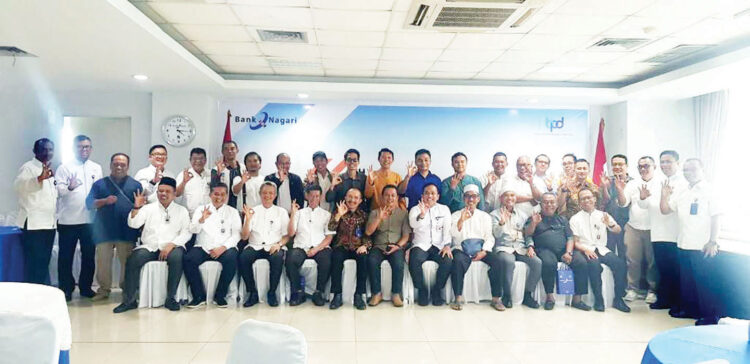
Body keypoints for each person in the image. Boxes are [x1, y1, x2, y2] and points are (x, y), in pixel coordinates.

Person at [114, 177, 191, 313]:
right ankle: (129, 300)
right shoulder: (148, 208)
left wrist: (172, 244)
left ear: (174, 194)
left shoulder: (182, 211)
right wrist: (137, 207)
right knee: (133, 259)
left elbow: (186, 233)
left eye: (167, 191)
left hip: (172, 246)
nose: (163, 194)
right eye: (160, 191)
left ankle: (170, 298)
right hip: (151, 246)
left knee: (177, 257)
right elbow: (133, 224)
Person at [660, 158, 721, 325]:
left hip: (703, 245)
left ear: (702, 169)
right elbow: (665, 210)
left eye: (693, 169)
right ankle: (690, 310)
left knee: (705, 283)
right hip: (684, 243)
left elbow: (716, 217)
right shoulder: (683, 191)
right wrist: (664, 195)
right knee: (687, 282)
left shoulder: (710, 190)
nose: (689, 173)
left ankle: (710, 316)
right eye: (686, 170)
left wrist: (713, 241)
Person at [86, 153, 142, 301]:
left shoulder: (136, 185)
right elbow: (89, 204)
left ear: (128, 166)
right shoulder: (99, 184)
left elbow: (140, 208)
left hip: (127, 230)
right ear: (110, 165)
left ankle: (127, 290)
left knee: (127, 263)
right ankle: (103, 290)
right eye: (116, 164)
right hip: (104, 230)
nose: (119, 167)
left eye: (123, 164)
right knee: (103, 263)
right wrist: (104, 201)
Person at [55, 135, 102, 300]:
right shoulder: (64, 168)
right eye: (81, 147)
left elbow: (100, 190)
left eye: (87, 147)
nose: (84, 150)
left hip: (90, 221)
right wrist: (70, 186)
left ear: (91, 148)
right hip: (68, 221)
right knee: (66, 256)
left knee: (89, 255)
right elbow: (58, 192)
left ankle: (85, 287)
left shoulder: (96, 168)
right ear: (74, 148)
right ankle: (66, 288)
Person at [569, 188, 631, 313]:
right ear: (579, 202)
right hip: (585, 249)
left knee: (620, 265)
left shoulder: (603, 215)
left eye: (589, 197)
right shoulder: (575, 219)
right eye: (583, 199)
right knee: (594, 265)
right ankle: (599, 300)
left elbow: (618, 230)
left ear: (594, 199)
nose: (586, 200)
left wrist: (610, 224)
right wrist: (586, 250)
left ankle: (618, 299)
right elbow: (575, 242)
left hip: (602, 249)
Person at [184, 183, 241, 308]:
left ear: (226, 196)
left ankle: (220, 295)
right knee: (188, 259)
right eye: (216, 194)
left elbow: (237, 235)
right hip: (203, 247)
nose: (219, 197)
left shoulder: (232, 212)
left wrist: (223, 248)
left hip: (224, 247)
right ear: (210, 195)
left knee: (232, 259)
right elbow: (193, 230)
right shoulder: (201, 209)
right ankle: (198, 296)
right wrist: (201, 219)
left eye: (222, 194)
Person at [643, 150, 687, 311]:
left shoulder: (683, 183)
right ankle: (665, 299)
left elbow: (667, 208)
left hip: (674, 234)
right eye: (662, 162)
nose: (665, 165)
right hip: (658, 232)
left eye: (668, 162)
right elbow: (649, 205)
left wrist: (664, 197)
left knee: (675, 270)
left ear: (677, 163)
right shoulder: (659, 182)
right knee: (663, 269)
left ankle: (676, 302)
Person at [449, 185, 504, 311]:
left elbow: (489, 237)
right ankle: (457, 298)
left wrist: (484, 251)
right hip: (461, 249)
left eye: (474, 196)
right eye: (468, 196)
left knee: (497, 261)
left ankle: (496, 298)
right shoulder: (456, 215)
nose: (471, 199)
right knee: (457, 261)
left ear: (479, 199)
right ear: (463, 198)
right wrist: (461, 222)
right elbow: (453, 237)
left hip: (481, 249)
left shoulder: (485, 216)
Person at [617, 156, 660, 303]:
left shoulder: (661, 183)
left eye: (647, 166)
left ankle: (652, 290)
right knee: (632, 260)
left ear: (655, 167)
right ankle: (632, 289)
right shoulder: (632, 184)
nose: (643, 169)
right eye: (640, 166)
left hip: (653, 228)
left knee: (652, 261)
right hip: (633, 226)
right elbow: (623, 204)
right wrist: (620, 191)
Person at [238, 181, 289, 307]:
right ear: (260, 194)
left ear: (275, 195)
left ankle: (271, 293)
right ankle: (252, 292)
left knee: (277, 258)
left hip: (273, 245)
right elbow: (244, 236)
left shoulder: (281, 212)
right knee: (243, 258)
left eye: (270, 193)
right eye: (265, 193)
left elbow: (287, 235)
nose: (267, 196)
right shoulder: (252, 211)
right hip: (255, 245)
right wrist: (248, 220)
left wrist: (279, 244)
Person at [14, 138, 57, 285]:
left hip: (48, 224)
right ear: (35, 151)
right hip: (33, 225)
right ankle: (32, 296)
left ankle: (42, 293)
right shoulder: (28, 167)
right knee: (34, 264)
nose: (47, 152)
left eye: (50, 149)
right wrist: (39, 178)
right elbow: (20, 187)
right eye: (43, 149)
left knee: (44, 263)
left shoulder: (49, 169)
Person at [490, 188, 541, 309]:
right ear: (500, 199)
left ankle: (527, 294)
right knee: (508, 261)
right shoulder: (494, 214)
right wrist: (502, 223)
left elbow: (527, 234)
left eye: (512, 195)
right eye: (506, 196)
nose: (510, 198)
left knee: (537, 262)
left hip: (520, 247)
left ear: (516, 199)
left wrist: (530, 246)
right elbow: (495, 235)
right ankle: (507, 296)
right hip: (504, 247)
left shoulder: (523, 215)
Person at [526, 192, 577, 310]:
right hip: (544, 249)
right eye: (545, 202)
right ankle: (550, 297)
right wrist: (534, 224)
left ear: (557, 204)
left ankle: (577, 299)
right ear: (541, 204)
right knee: (549, 263)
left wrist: (568, 252)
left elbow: (570, 238)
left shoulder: (562, 219)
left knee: (580, 262)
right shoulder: (534, 217)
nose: (549, 205)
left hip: (564, 250)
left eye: (552, 202)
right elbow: (527, 235)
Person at [286, 185, 335, 306]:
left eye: (317, 196)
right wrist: (293, 214)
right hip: (301, 246)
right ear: (307, 196)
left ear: (320, 197)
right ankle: (298, 292)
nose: (314, 198)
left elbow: (329, 237)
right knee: (290, 260)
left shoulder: (326, 215)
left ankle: (319, 292)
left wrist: (316, 249)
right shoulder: (299, 213)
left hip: (320, 247)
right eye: (311, 196)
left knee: (327, 261)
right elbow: (291, 233)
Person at [365, 184, 410, 307]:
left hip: (396, 246)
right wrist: (378, 219)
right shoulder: (374, 212)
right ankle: (376, 293)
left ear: (397, 197)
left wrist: (398, 246)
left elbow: (406, 235)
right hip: (378, 246)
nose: (390, 198)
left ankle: (396, 294)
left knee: (398, 263)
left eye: (393, 195)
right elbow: (368, 232)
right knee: (372, 261)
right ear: (382, 197)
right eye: (387, 195)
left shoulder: (403, 214)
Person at [408, 183, 453, 306]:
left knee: (448, 260)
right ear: (422, 195)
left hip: (439, 245)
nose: (430, 196)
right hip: (421, 245)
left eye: (433, 193)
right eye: (427, 193)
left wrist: (447, 245)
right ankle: (422, 290)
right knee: (414, 259)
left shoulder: (444, 209)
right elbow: (413, 225)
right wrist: (422, 215)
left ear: (438, 196)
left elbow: (447, 229)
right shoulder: (415, 209)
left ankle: (436, 290)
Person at [328, 188, 370, 310]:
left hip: (358, 247)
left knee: (364, 259)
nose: (352, 200)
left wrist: (365, 245)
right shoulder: (338, 211)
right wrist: (338, 215)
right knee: (336, 258)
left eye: (356, 198)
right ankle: (337, 295)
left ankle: (359, 295)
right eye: (350, 197)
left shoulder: (364, 215)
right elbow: (330, 228)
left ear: (360, 200)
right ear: (345, 198)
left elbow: (369, 234)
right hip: (342, 246)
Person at [599, 154, 632, 259]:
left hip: (628, 224)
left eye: (620, 164)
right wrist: (604, 187)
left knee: (626, 254)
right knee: (609, 252)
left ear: (626, 166)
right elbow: (605, 200)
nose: (617, 167)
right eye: (614, 165)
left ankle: (625, 275)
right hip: (610, 222)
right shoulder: (608, 180)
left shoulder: (633, 182)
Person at [175, 147, 210, 218]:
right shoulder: (183, 174)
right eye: (195, 159)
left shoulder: (211, 174)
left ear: (205, 160)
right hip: (188, 216)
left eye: (201, 159)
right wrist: (184, 182)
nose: (198, 161)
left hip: (207, 216)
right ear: (190, 160)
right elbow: (176, 194)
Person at [211, 140, 245, 209]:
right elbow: (212, 188)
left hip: (239, 207)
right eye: (226, 149)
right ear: (222, 152)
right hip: (221, 207)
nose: (229, 151)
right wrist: (218, 173)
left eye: (232, 149)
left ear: (237, 150)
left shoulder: (243, 168)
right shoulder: (215, 169)